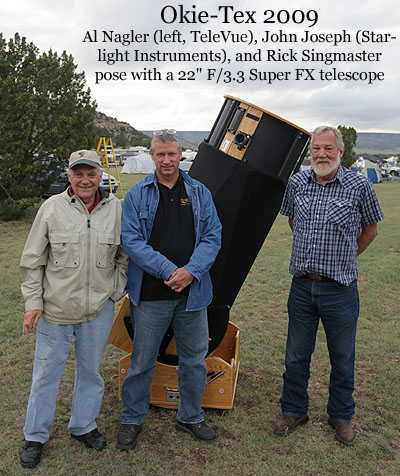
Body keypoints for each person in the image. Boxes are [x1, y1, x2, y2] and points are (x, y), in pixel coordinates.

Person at [275, 126, 384, 446]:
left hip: (341, 290)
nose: (321, 154)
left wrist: (345, 257)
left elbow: (370, 230)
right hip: (302, 287)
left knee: (342, 357)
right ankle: (294, 410)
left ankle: (340, 416)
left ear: (341, 151)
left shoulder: (359, 185)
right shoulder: (298, 182)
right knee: (296, 355)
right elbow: (293, 221)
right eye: (316, 149)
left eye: (328, 148)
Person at [19, 150, 128, 468]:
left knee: (91, 374)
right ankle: (35, 436)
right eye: (78, 173)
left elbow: (125, 254)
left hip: (98, 310)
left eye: (91, 173)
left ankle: (84, 426)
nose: (85, 180)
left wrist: (115, 290)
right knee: (45, 375)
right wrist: (33, 303)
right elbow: (32, 260)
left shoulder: (116, 209)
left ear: (100, 176)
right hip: (55, 311)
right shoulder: (51, 209)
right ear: (68, 176)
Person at [116, 129, 221, 450]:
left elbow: (212, 236)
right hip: (151, 295)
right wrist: (168, 271)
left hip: (192, 294)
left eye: (171, 154)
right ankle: (132, 417)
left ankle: (190, 416)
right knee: (143, 360)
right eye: (160, 154)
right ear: (151, 155)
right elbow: (132, 241)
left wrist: (190, 271)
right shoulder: (137, 194)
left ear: (180, 154)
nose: (166, 160)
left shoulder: (200, 192)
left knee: (194, 360)